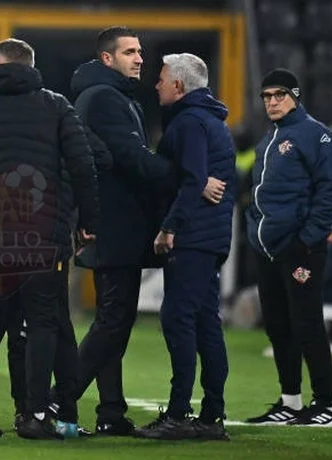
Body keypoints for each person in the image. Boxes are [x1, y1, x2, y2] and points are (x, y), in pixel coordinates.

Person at [61, 26, 224, 436]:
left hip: (113, 224)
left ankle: (111, 412)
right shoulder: (104, 99)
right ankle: (57, 401)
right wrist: (191, 178)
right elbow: (132, 160)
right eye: (130, 52)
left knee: (113, 320)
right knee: (114, 321)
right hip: (115, 225)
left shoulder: (110, 96)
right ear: (107, 59)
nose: (139, 59)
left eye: (140, 52)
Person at [0, 38, 99, 440]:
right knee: (40, 324)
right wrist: (86, 222)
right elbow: (83, 165)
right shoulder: (56, 106)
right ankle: (35, 415)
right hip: (41, 233)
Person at [135, 53, 235, 441]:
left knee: (178, 318)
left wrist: (169, 227)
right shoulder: (211, 120)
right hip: (209, 237)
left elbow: (195, 181)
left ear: (178, 85)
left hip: (192, 236)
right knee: (206, 323)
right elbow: (203, 177)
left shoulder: (190, 122)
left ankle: (179, 413)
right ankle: (211, 415)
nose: (156, 84)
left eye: (161, 79)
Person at [244, 68, 332, 427]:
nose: (271, 101)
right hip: (268, 248)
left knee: (307, 325)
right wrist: (254, 229)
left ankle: (327, 406)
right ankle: (290, 402)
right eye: (266, 96)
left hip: (300, 248)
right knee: (278, 326)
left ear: (295, 96)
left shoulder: (317, 136)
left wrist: (306, 239)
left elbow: (330, 191)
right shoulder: (269, 137)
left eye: (279, 95)